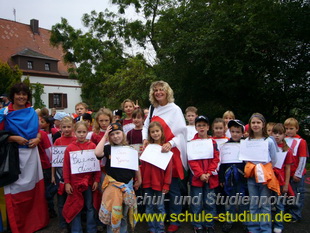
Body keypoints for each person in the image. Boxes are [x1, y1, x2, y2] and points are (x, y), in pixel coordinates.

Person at [0, 83, 49, 233]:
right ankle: (18, 225)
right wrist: (14, 138)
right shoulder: (4, 113)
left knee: (34, 189)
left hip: (31, 156)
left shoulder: (32, 112)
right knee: (15, 189)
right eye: (18, 94)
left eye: (24, 94)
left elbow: (38, 131)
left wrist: (38, 139)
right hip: (13, 156)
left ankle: (35, 222)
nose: (21, 97)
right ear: (12, 96)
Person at [142, 81, 187, 233]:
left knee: (172, 189)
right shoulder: (153, 108)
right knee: (156, 188)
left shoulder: (175, 109)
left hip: (170, 153)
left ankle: (175, 220)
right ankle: (161, 220)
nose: (158, 92)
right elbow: (146, 126)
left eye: (161, 90)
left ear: (167, 91)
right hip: (155, 153)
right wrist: (145, 139)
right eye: (156, 90)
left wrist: (171, 143)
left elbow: (181, 133)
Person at [94, 123, 142, 233]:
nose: (115, 136)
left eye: (118, 133)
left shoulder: (130, 149)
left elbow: (136, 166)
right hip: (113, 186)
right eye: (112, 134)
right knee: (113, 215)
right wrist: (105, 135)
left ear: (123, 134)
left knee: (124, 215)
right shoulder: (107, 148)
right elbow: (97, 153)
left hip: (128, 186)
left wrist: (139, 179)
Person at [242, 113, 280, 233]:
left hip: (265, 176)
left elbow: (274, 159)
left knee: (264, 204)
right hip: (251, 176)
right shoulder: (247, 140)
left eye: (258, 122)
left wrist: (265, 169)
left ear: (263, 124)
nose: (256, 125)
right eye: (253, 122)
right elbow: (244, 158)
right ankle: (253, 228)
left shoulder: (269, 141)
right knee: (253, 203)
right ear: (250, 124)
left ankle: (265, 228)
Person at [62, 121, 100, 233]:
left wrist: (96, 180)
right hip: (74, 183)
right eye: (79, 132)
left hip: (88, 182)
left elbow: (96, 165)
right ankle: (76, 230)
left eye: (84, 132)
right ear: (75, 132)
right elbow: (66, 167)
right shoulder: (70, 148)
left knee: (89, 206)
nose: (81, 134)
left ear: (87, 132)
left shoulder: (92, 146)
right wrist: (67, 183)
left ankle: (91, 229)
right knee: (75, 206)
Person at [188, 115, 219, 233]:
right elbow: (191, 161)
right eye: (199, 125)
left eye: (204, 125)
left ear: (208, 127)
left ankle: (209, 224)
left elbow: (216, 158)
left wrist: (209, 173)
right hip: (197, 178)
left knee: (210, 202)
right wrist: (200, 174)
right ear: (195, 127)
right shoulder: (191, 143)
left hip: (210, 178)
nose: (201, 127)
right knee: (196, 203)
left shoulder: (213, 142)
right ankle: (198, 225)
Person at [142, 121, 173, 233]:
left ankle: (160, 229)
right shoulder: (147, 148)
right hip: (147, 183)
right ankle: (151, 228)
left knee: (160, 207)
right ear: (149, 134)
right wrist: (140, 180)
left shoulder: (165, 149)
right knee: (149, 206)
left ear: (161, 132)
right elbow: (143, 166)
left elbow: (168, 170)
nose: (155, 134)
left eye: (157, 131)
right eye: (152, 132)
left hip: (160, 184)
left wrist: (166, 184)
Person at [219, 119, 248, 233]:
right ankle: (229, 220)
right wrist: (221, 178)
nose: (235, 134)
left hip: (242, 177)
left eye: (237, 132)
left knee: (243, 201)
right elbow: (222, 164)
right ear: (230, 132)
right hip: (228, 178)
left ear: (242, 133)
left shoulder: (246, 144)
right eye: (233, 131)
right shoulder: (225, 146)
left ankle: (244, 221)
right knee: (229, 201)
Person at [52, 116, 76, 233]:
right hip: (60, 174)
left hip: (74, 175)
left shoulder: (76, 140)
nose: (66, 129)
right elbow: (54, 160)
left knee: (73, 200)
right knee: (61, 201)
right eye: (64, 127)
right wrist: (52, 175)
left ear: (73, 127)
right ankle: (63, 225)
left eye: (69, 127)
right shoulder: (58, 141)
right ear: (60, 128)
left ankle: (73, 223)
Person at [284, 117, 308, 222]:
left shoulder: (301, 141)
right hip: (286, 173)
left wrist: (298, 174)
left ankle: (295, 214)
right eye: (287, 128)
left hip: (296, 173)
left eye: (291, 128)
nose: (288, 131)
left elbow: (303, 159)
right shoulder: (283, 139)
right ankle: (287, 212)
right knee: (286, 194)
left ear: (297, 129)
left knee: (297, 194)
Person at [271, 123, 294, 233]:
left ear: (284, 135)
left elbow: (288, 169)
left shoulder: (287, 150)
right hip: (269, 180)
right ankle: (268, 222)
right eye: (275, 133)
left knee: (279, 204)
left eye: (280, 134)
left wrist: (286, 184)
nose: (277, 136)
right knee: (267, 203)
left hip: (280, 181)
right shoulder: (268, 146)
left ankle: (278, 224)